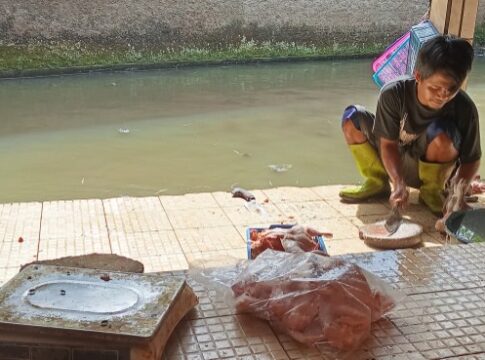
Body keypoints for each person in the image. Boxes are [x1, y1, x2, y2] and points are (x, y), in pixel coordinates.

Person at [339, 35, 481, 216]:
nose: (443, 95)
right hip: (395, 161)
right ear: (418, 76)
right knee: (352, 118)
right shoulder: (394, 93)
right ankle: (377, 183)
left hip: (431, 170)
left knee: (443, 133)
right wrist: (398, 183)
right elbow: (388, 144)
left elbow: (472, 159)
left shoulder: (464, 107)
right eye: (435, 88)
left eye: (452, 89)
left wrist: (458, 194)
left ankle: (432, 192)